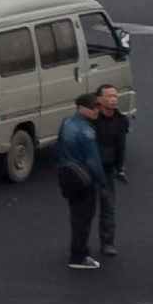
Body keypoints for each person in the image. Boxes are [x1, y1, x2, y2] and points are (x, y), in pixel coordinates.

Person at [53, 89, 111, 270]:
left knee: (76, 215)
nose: (97, 111)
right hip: (85, 180)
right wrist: (103, 183)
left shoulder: (67, 123)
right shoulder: (86, 131)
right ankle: (79, 255)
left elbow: (59, 146)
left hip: (68, 175)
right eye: (93, 108)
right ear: (81, 108)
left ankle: (78, 250)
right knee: (84, 218)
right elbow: (94, 161)